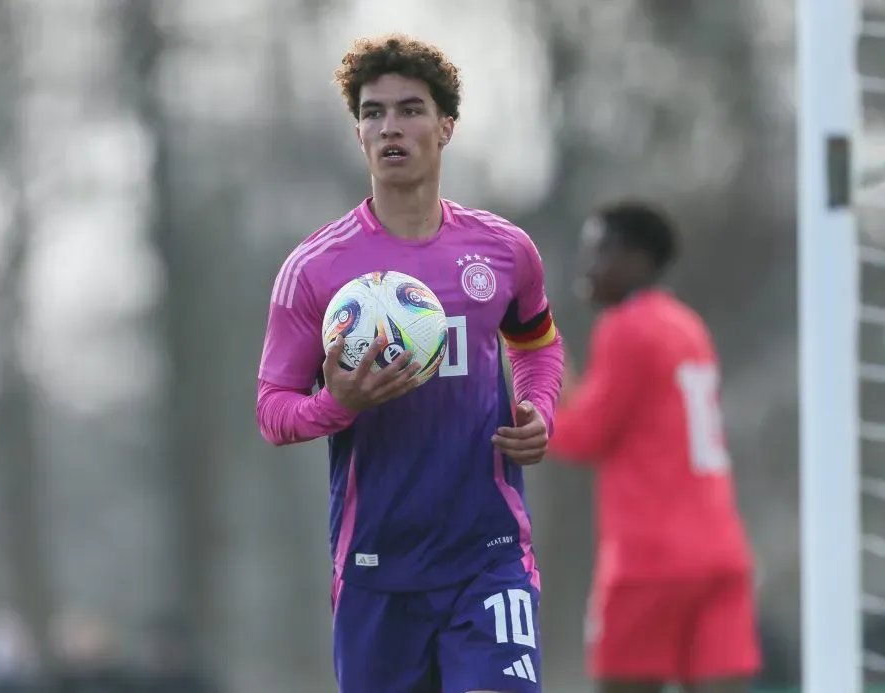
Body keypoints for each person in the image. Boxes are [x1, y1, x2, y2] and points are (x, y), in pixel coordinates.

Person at [256, 34, 563, 693]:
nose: (390, 127)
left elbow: (537, 343)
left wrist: (540, 408)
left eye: (410, 109)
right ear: (358, 132)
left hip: (490, 556)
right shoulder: (315, 271)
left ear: (446, 126)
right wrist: (339, 403)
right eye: (372, 113)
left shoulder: (504, 251)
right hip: (376, 568)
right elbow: (272, 410)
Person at [548, 202, 761, 693]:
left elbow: (584, 436)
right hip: (720, 552)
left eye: (599, 252)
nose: (589, 268)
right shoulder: (687, 325)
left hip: (649, 559)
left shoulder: (626, 328)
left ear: (636, 258)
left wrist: (529, 386)